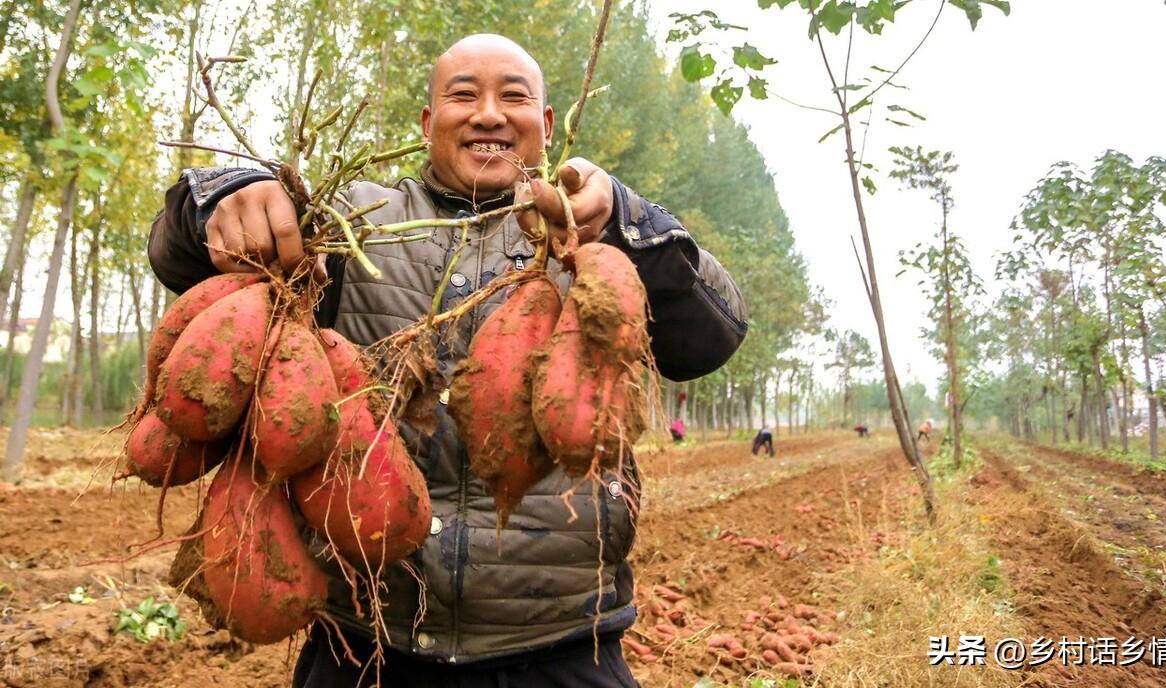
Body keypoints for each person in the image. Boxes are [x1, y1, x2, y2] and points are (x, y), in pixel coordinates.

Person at [147, 34, 747, 688]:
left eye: (512, 97)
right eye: (463, 96)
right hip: (365, 642)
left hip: (561, 639)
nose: (488, 113)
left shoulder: (597, 238)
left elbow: (711, 336)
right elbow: (177, 254)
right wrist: (227, 192)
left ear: (546, 127)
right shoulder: (355, 224)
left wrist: (628, 223)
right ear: (428, 124)